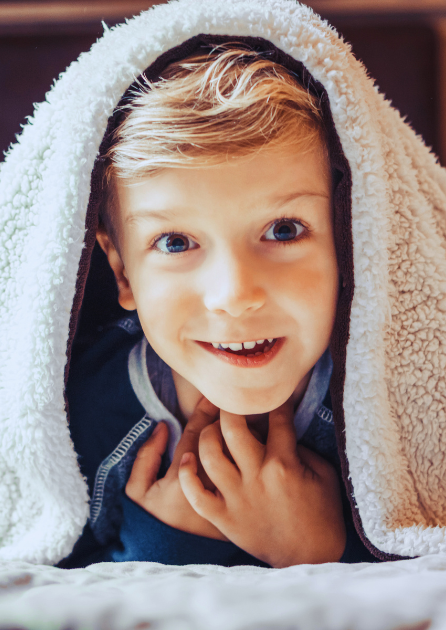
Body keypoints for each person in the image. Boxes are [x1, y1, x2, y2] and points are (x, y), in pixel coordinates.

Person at [61, 43, 375, 567]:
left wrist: (321, 551)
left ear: (349, 237)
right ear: (122, 272)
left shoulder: (393, 403)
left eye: (283, 230)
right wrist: (168, 542)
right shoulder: (83, 413)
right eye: (176, 243)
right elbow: (41, 565)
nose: (234, 296)